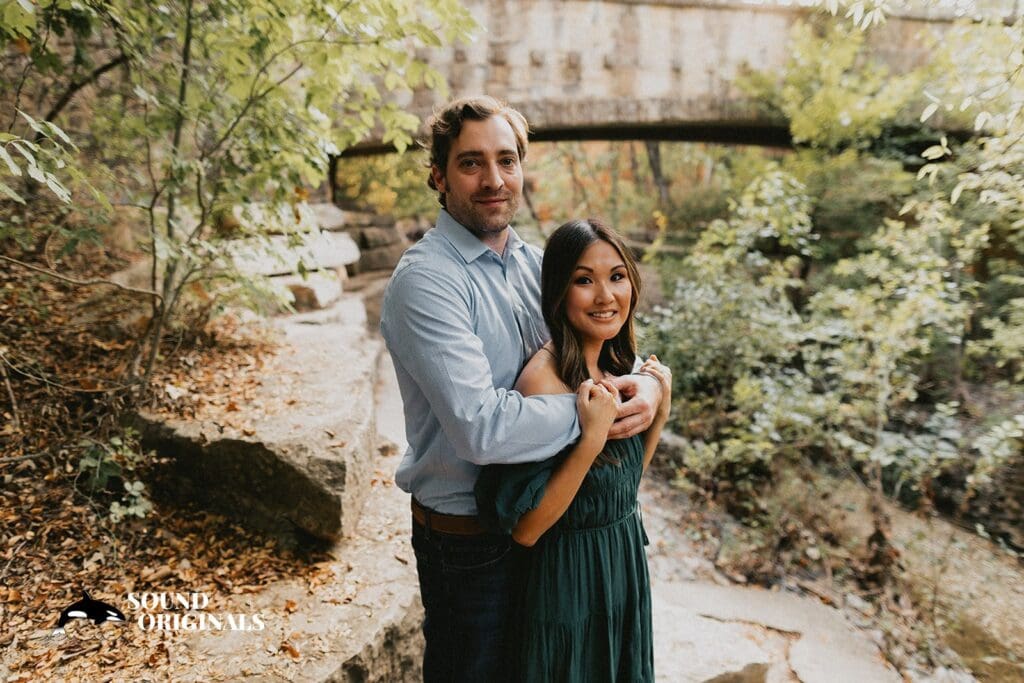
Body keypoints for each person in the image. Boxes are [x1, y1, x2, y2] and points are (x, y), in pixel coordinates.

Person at [378, 95, 666, 682]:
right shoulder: (427, 281)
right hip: (471, 545)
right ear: (438, 175)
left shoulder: (537, 264)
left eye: (506, 160)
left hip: (548, 527)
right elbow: (481, 427)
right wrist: (597, 417)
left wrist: (648, 386)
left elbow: (598, 346)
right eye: (471, 163)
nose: (493, 179)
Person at [476, 218, 672, 682]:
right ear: (559, 291)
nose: (606, 295)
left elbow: (621, 488)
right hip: (568, 585)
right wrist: (590, 440)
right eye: (585, 280)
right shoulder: (542, 379)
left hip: (620, 566)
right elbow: (526, 530)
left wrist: (660, 407)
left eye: (616, 276)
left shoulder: (615, 361)